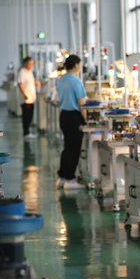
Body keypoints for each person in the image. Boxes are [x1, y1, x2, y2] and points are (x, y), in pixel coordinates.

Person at [55, 55, 87, 190]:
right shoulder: (76, 81)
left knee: (67, 147)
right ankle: (69, 180)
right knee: (73, 149)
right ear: (76, 65)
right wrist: (87, 120)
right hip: (75, 117)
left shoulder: (60, 80)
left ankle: (62, 177)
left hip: (63, 116)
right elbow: (81, 103)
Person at [17, 57, 40, 139]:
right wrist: (24, 94)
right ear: (25, 63)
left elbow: (29, 82)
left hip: (31, 97)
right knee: (26, 115)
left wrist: (35, 83)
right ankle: (26, 132)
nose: (31, 65)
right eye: (30, 64)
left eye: (32, 64)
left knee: (30, 115)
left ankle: (27, 132)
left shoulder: (29, 72)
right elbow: (20, 84)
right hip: (26, 98)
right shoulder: (22, 72)